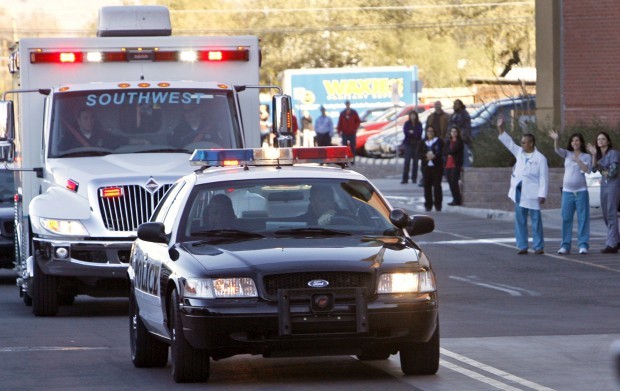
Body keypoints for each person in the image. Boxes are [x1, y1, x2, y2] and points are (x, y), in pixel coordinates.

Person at [497, 116, 548, 255]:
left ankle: (538, 246)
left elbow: (544, 178)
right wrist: (501, 128)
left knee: (536, 221)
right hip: (519, 191)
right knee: (520, 219)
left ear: (531, 143)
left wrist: (542, 194)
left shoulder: (540, 158)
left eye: (524, 142)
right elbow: (509, 143)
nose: (522, 144)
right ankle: (522, 245)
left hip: (533, 193)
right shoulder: (519, 152)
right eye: (522, 142)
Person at [548, 130, 592, 255]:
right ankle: (565, 245)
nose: (575, 142)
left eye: (577, 140)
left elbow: (587, 170)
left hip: (581, 191)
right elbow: (557, 149)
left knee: (583, 219)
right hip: (567, 192)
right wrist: (556, 139)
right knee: (566, 218)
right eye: (573, 141)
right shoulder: (567, 154)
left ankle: (583, 245)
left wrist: (578, 160)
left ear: (581, 142)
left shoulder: (586, 156)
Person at [586, 132, 620, 253]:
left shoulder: (613, 154)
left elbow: (612, 173)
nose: (600, 141)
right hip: (604, 186)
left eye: (603, 139)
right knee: (606, 215)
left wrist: (601, 169)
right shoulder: (599, 155)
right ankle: (616, 239)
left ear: (608, 141)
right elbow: (594, 169)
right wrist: (594, 155)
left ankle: (611, 244)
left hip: (614, 186)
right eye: (598, 139)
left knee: (611, 214)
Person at [418, 126, 444, 212]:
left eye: (432, 131)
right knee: (427, 186)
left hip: (437, 167)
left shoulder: (439, 141)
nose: (430, 133)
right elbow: (419, 153)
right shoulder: (423, 142)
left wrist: (434, 156)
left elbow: (441, 152)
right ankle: (428, 205)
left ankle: (438, 205)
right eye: (428, 131)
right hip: (426, 167)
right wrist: (426, 156)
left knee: (437, 186)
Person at [400, 111, 423, 184]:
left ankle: (414, 178)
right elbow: (406, 132)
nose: (413, 117)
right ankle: (405, 178)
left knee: (415, 162)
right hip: (408, 144)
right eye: (411, 115)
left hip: (416, 144)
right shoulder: (407, 123)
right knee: (407, 161)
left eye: (414, 115)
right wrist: (413, 133)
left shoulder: (419, 124)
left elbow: (419, 133)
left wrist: (412, 132)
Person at [444, 126, 464, 206]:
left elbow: (453, 151)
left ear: (458, 133)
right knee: (450, 182)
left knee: (454, 183)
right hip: (448, 164)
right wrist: (448, 153)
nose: (454, 133)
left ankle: (457, 200)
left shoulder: (459, 142)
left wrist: (449, 152)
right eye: (452, 132)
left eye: (455, 132)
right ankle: (454, 199)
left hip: (455, 164)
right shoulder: (448, 142)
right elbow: (444, 151)